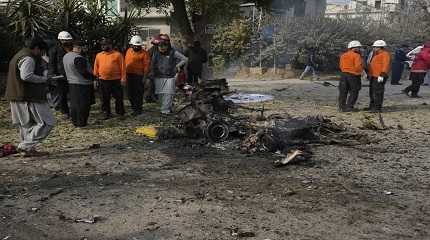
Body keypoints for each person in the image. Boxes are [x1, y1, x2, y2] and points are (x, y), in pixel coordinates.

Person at [4, 37, 55, 157]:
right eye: (42, 51)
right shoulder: (28, 58)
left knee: (27, 124)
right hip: (28, 96)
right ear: (37, 48)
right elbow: (26, 76)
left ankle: (29, 150)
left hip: (19, 95)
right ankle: (25, 146)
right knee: (47, 122)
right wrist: (45, 79)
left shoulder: (20, 54)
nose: (42, 54)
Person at [149, 34, 188, 115]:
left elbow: (185, 59)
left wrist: (177, 66)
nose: (162, 47)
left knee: (168, 93)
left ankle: (165, 111)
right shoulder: (155, 53)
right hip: (158, 76)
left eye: (164, 45)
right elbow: (152, 64)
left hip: (170, 77)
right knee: (160, 94)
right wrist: (152, 72)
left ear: (168, 45)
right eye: (160, 46)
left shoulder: (173, 52)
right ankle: (166, 108)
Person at [63, 41, 94, 127]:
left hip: (71, 83)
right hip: (82, 84)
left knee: (74, 104)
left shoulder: (66, 56)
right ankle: (81, 123)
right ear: (75, 48)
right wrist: (93, 77)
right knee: (83, 105)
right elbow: (83, 72)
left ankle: (75, 121)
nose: (81, 49)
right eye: (79, 47)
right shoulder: (78, 58)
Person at [93, 38, 126, 120]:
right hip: (103, 80)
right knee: (104, 98)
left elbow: (123, 68)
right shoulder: (99, 55)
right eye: (102, 45)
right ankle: (106, 113)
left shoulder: (118, 55)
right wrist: (95, 79)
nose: (103, 46)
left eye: (105, 45)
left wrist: (123, 79)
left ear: (110, 45)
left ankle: (120, 113)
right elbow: (96, 68)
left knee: (118, 98)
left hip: (116, 80)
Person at [48, 31, 73, 118]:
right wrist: (52, 74)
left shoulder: (72, 48)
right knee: (62, 95)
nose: (67, 42)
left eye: (68, 40)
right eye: (65, 40)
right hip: (60, 76)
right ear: (60, 40)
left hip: (71, 75)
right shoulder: (54, 50)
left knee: (73, 93)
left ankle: (74, 110)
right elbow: (51, 63)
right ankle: (65, 111)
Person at [125, 35, 151, 116]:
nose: (136, 47)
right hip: (129, 75)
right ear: (131, 45)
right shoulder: (128, 51)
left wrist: (145, 77)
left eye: (138, 46)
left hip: (139, 76)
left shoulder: (144, 53)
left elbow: (146, 67)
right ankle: (134, 108)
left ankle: (138, 110)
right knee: (130, 94)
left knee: (138, 94)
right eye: (135, 46)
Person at [338, 40, 364, 112]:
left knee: (343, 91)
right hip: (354, 76)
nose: (359, 49)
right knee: (354, 91)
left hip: (343, 75)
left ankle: (341, 107)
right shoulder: (357, 55)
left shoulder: (343, 55)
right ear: (354, 48)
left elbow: (340, 66)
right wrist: (362, 73)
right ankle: (349, 106)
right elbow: (358, 66)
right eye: (358, 47)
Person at [367, 40, 391, 113]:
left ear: (380, 47)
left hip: (380, 76)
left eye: (375, 47)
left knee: (378, 92)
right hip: (374, 75)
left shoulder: (385, 54)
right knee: (372, 92)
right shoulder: (376, 54)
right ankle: (372, 106)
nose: (373, 48)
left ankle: (377, 108)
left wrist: (382, 74)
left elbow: (385, 65)